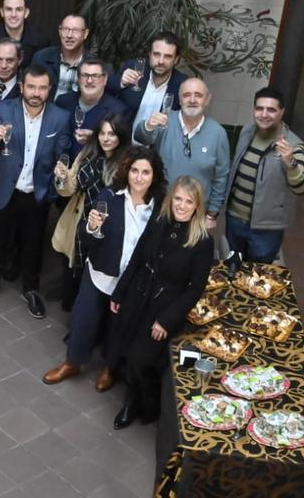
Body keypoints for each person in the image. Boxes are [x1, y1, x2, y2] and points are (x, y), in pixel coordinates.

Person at [44, 146, 165, 391]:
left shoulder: (159, 206)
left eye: (145, 172)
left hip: (131, 281)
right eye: (134, 171)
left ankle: (109, 368)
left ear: (154, 176)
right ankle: (72, 362)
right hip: (99, 272)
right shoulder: (110, 196)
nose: (138, 177)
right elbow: (89, 239)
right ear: (126, 171)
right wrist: (92, 228)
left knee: (117, 327)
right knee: (83, 320)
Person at [109, 175, 213, 429]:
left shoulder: (202, 242)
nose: (181, 205)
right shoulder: (159, 221)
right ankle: (137, 400)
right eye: (178, 198)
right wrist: (119, 292)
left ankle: (139, 405)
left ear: (197, 205)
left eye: (189, 201)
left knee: (141, 360)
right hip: (138, 296)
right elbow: (137, 257)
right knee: (126, 349)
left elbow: (194, 289)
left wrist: (166, 320)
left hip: (164, 308)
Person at [0, 64, 73, 318]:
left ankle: (31, 289)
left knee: (33, 245)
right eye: (31, 87)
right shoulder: (5, 109)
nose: (36, 93)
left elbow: (62, 153)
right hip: (4, 188)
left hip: (35, 195)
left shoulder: (60, 117)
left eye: (41, 88)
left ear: (49, 90)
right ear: (21, 87)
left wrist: (60, 172)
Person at [51, 112, 132, 312]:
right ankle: (73, 311)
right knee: (72, 269)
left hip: (106, 227)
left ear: (121, 136)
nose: (105, 138)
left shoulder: (127, 163)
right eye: (102, 133)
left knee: (95, 275)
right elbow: (68, 189)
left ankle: (86, 319)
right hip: (78, 221)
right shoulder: (87, 154)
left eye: (112, 134)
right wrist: (62, 178)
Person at [224, 86, 304, 263]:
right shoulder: (247, 131)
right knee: (231, 270)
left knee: (257, 277)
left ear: (282, 112)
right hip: (234, 219)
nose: (264, 114)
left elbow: (301, 188)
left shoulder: (294, 145)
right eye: (259, 108)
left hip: (266, 229)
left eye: (271, 110)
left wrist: (290, 163)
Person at [135, 77, 231, 232]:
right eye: (186, 95)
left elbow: (221, 176)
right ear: (179, 99)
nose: (192, 100)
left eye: (198, 95)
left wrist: (212, 214)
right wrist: (148, 125)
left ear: (207, 99)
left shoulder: (218, 133)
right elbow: (140, 137)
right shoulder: (164, 121)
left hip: (197, 212)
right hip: (162, 207)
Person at [106, 31, 188, 133]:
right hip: (124, 144)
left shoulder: (182, 84)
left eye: (167, 56)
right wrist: (121, 82)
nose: (161, 61)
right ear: (149, 55)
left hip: (155, 147)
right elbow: (103, 92)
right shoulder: (134, 68)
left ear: (176, 59)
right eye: (156, 54)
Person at [53, 57, 127, 159]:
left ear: (105, 79)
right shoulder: (63, 102)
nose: (89, 80)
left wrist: (95, 139)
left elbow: (122, 151)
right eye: (85, 75)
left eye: (95, 76)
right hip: (60, 168)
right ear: (78, 79)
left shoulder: (119, 110)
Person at [0, 0, 49, 68]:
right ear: (2, 12)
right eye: (8, 9)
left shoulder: (40, 41)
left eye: (19, 10)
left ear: (26, 13)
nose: (13, 14)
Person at [32, 14, 91, 100]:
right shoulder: (42, 57)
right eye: (65, 29)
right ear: (60, 31)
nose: (69, 35)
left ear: (85, 34)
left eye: (75, 30)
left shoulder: (92, 64)